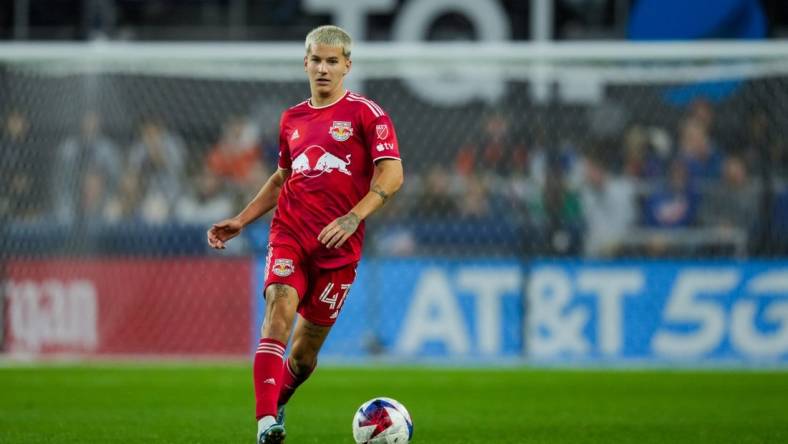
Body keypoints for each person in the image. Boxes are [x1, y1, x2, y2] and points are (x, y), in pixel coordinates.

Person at [206, 25, 403, 444]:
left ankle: (278, 401)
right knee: (278, 310)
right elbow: (282, 178)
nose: (324, 68)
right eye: (316, 60)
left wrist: (354, 216)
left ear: (347, 66)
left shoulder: (367, 114)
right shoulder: (291, 118)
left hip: (339, 250)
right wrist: (242, 220)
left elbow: (393, 173)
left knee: (303, 353)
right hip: (290, 235)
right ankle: (265, 426)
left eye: (333, 61)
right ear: (306, 63)